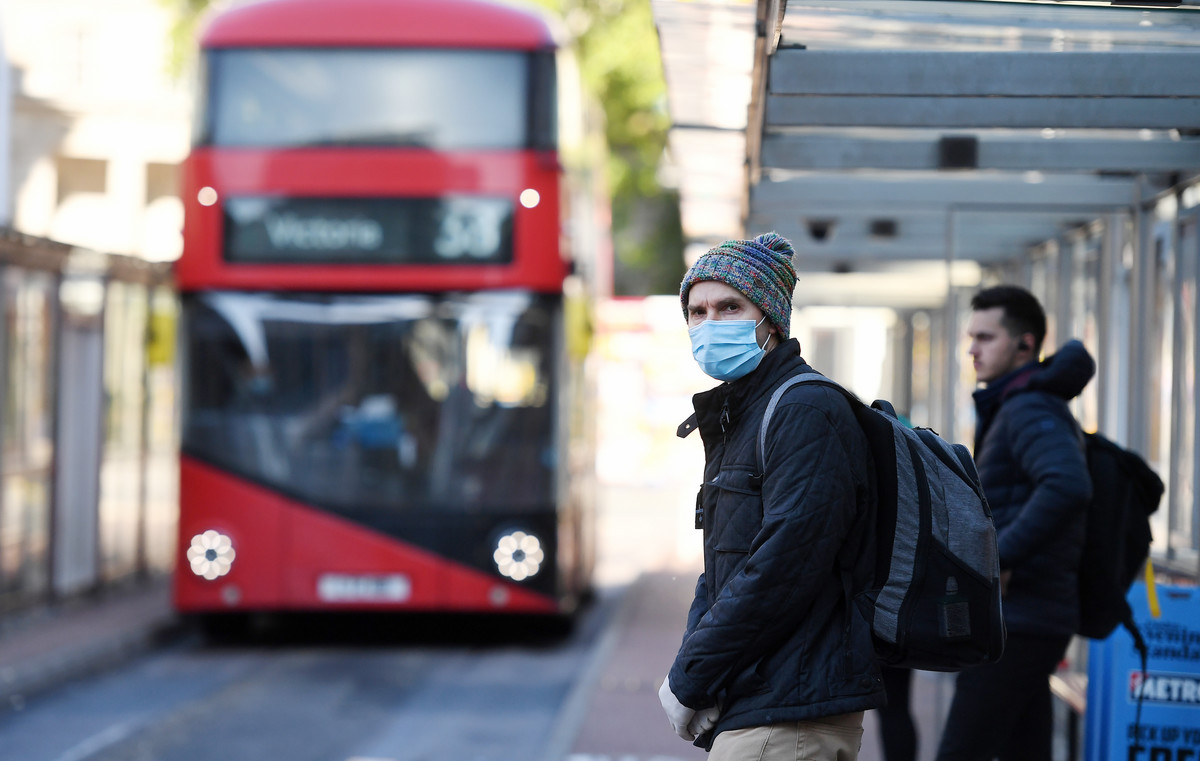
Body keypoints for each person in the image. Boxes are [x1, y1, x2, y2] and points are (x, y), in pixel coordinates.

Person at [658, 232, 886, 761]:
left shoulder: (804, 410)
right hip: (762, 700)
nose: (710, 323)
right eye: (697, 311)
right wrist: (699, 672)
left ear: (771, 320)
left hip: (792, 708)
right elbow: (724, 570)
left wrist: (691, 678)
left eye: (730, 307)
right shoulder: (748, 413)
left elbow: (783, 567)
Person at [935, 284, 1094, 761]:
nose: (972, 349)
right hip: (1028, 617)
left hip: (1022, 620)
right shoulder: (1017, 404)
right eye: (971, 337)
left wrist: (996, 558)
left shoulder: (1028, 407)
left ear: (1025, 343)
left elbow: (1068, 485)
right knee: (1027, 748)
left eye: (986, 337)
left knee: (960, 750)